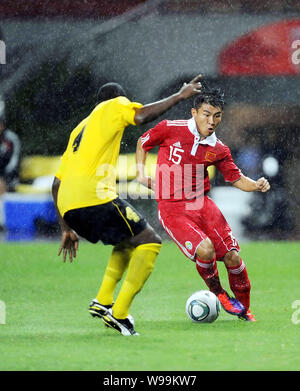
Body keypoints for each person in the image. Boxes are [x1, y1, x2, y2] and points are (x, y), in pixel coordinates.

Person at [52, 76, 203, 336]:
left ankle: (103, 301)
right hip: (95, 197)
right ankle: (119, 315)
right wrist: (179, 96)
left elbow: (56, 184)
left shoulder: (80, 129)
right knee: (150, 241)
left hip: (69, 205)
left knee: (127, 240)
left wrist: (66, 228)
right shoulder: (112, 106)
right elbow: (141, 116)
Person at [136, 87, 270, 322]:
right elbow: (143, 141)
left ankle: (244, 311)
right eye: (206, 114)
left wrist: (256, 185)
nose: (211, 121)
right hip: (172, 208)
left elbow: (237, 179)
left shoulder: (218, 149)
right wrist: (140, 173)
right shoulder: (170, 128)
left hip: (201, 204)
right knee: (205, 249)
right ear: (194, 112)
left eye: (217, 116)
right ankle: (219, 293)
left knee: (233, 257)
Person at [0, 118, 21, 230]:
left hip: (11, 175)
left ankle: (2, 222)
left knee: (0, 185)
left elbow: (14, 161)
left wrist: (4, 175)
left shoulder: (11, 138)